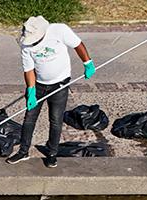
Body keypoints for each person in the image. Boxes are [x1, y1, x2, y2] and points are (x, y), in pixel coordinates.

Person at [6, 15, 94, 169]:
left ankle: (52, 153)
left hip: (60, 84)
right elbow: (29, 70)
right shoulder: (26, 45)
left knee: (55, 120)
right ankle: (23, 151)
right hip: (39, 85)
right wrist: (31, 91)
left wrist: (87, 63)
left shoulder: (59, 30)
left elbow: (78, 44)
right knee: (29, 118)